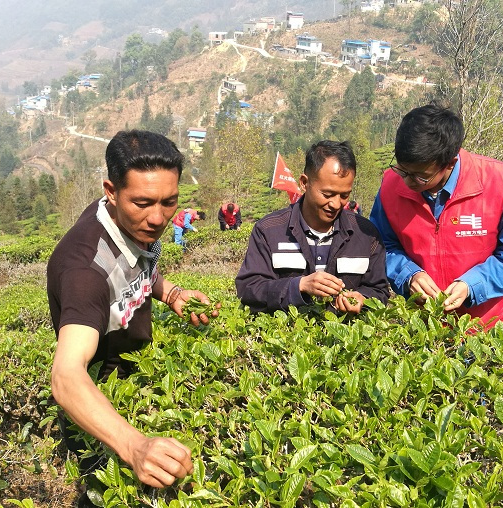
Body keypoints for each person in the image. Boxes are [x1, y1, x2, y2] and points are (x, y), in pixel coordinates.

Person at [47, 130, 220, 494]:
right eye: (142, 203)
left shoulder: (125, 222)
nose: (157, 218)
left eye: (169, 202)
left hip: (138, 381)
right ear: (111, 191)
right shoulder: (85, 271)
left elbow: (137, 265)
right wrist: (133, 445)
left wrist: (171, 293)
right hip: (102, 410)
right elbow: (66, 375)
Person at [369, 104, 503, 329]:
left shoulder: (498, 180)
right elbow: (380, 246)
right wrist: (408, 275)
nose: (407, 182)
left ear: (451, 162)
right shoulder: (391, 185)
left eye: (421, 176)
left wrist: (473, 285)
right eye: (402, 170)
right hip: (423, 327)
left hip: (486, 325)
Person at [236, 140, 390, 314]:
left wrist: (363, 299)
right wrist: (298, 286)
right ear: (304, 183)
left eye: (344, 195)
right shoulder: (269, 230)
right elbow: (248, 289)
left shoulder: (366, 234)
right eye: (327, 194)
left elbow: (379, 291)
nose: (336, 204)